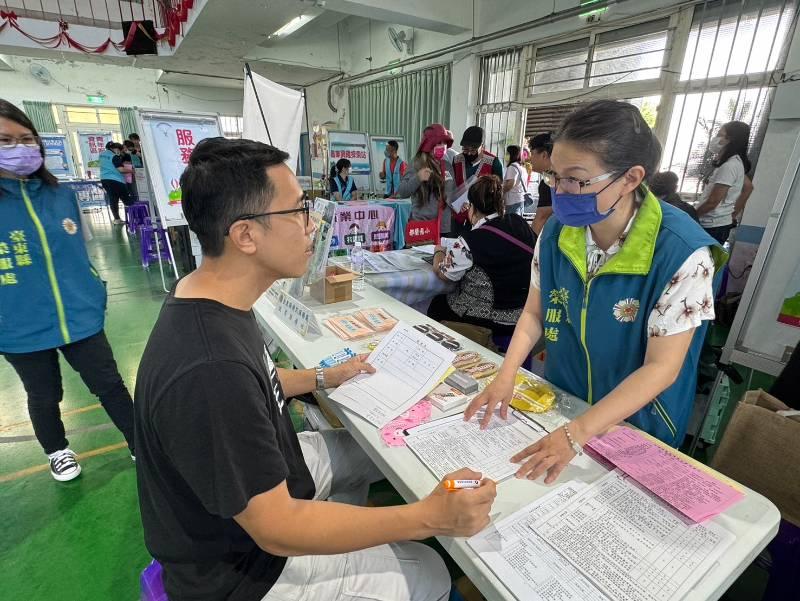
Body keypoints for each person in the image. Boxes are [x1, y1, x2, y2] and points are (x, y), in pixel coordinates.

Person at [134, 137, 497, 601]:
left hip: (268, 480)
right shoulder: (210, 367)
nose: (313, 225)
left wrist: (325, 377)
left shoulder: (212, 295)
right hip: (243, 569)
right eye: (299, 211)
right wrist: (429, 518)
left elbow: (257, 384)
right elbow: (277, 529)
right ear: (246, 235)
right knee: (427, 568)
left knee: (374, 448)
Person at [466, 100, 727, 484]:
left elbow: (662, 367)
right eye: (554, 177)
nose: (560, 191)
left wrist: (578, 433)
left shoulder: (682, 253)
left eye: (575, 180)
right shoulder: (555, 234)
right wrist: (507, 374)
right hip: (564, 404)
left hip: (639, 421)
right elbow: (534, 314)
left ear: (631, 178)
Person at [0, 99, 135, 481]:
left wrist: (94, 289)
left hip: (80, 315)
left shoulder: (61, 195)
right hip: (19, 327)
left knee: (110, 384)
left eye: (26, 138)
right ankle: (58, 451)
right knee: (44, 395)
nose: (19, 148)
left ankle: (139, 441)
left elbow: (86, 249)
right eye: (5, 140)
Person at [429, 175, 535, 337]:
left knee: (437, 304)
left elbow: (444, 273)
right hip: (523, 314)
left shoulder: (469, 241)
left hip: (487, 318)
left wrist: (438, 251)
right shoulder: (519, 223)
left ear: (472, 207)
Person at [696, 121, 754, 244]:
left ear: (730, 139)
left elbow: (712, 202)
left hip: (712, 226)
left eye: (720, 135)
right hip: (719, 224)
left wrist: (692, 215)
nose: (716, 139)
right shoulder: (735, 163)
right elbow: (748, 187)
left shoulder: (729, 166)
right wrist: (731, 215)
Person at [397, 123, 454, 234]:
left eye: (444, 143)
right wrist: (418, 177)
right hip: (422, 227)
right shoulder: (416, 164)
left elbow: (452, 193)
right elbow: (402, 192)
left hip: (443, 228)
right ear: (429, 144)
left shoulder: (447, 166)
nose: (442, 146)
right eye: (438, 143)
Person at [451, 126, 504, 236]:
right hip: (459, 216)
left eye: (473, 150)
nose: (469, 153)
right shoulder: (456, 160)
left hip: (482, 218)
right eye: (465, 149)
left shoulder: (493, 162)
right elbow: (452, 186)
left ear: (482, 146)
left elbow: (498, 192)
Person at [99, 141, 133, 224]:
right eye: (120, 151)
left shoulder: (101, 155)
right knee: (126, 199)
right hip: (116, 180)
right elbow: (121, 169)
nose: (120, 153)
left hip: (104, 179)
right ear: (116, 149)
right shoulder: (114, 156)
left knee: (113, 199)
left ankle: (117, 219)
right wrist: (131, 171)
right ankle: (134, 218)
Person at [529, 132, 554, 235]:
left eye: (532, 153)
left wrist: (530, 247)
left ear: (544, 155)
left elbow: (541, 217)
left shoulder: (549, 181)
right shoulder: (561, 177)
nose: (530, 159)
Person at [502, 145, 529, 216]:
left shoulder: (512, 167)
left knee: (511, 224)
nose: (506, 155)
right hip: (520, 199)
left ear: (512, 154)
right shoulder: (522, 167)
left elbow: (511, 184)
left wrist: (500, 191)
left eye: (507, 153)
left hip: (512, 201)